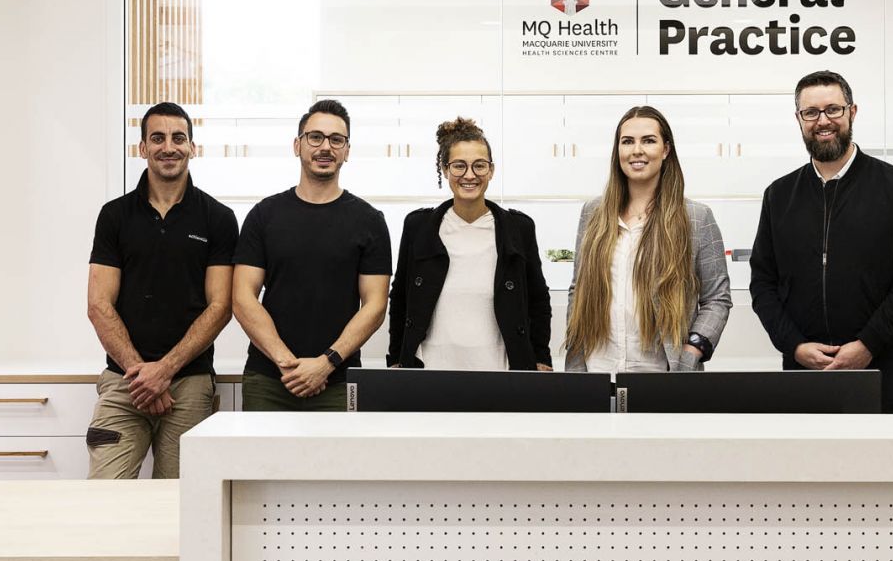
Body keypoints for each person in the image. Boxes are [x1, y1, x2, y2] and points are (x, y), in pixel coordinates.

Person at [749, 70, 893, 412]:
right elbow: (763, 283)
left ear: (852, 112)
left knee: (881, 465)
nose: (823, 121)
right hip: (801, 373)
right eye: (811, 113)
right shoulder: (778, 195)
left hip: (880, 371)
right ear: (799, 119)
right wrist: (793, 346)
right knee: (804, 466)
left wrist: (868, 343)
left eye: (833, 109)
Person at [85, 101, 237, 478]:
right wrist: (143, 375)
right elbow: (98, 304)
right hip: (125, 383)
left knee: (186, 506)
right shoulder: (115, 215)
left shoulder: (218, 218)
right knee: (102, 496)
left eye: (178, 138)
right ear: (142, 148)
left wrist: (165, 371)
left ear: (192, 147)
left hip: (189, 384)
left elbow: (220, 307)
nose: (168, 147)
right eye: (157, 138)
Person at [232, 98, 391, 410]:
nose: (325, 147)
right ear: (297, 145)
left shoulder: (369, 221)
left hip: (338, 381)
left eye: (336, 140)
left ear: (347, 150)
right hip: (269, 380)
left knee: (338, 462)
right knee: (262, 462)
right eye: (315, 137)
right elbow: (242, 297)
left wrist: (325, 363)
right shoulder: (264, 215)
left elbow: (375, 305)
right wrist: (286, 362)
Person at [562, 105, 731, 372]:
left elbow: (717, 299)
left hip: (663, 376)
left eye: (648, 141)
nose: (636, 150)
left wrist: (692, 351)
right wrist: (576, 360)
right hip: (596, 370)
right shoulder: (593, 213)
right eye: (627, 141)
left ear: (665, 150)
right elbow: (578, 289)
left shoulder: (696, 217)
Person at [387, 117, 552, 371]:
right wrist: (396, 359)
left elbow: (538, 300)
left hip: (501, 369)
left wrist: (541, 358)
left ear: (492, 170)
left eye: (479, 166)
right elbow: (400, 299)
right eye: (459, 166)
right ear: (444, 169)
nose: (470, 175)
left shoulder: (518, 229)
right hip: (431, 368)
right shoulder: (418, 227)